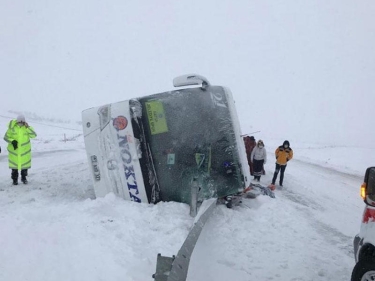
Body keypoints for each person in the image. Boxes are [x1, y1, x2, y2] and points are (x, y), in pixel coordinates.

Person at [3, 114, 37, 185]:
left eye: (22, 122)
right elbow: (6, 137)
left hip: (24, 152)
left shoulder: (26, 128)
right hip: (14, 152)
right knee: (14, 168)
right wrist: (12, 141)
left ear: (24, 122)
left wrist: (28, 127)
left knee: (24, 167)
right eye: (19, 122)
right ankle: (14, 180)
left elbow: (34, 135)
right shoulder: (12, 128)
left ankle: (23, 178)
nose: (21, 123)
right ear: (17, 121)